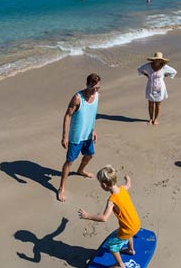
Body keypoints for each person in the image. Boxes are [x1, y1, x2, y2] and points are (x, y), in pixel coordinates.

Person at [78, 165, 141, 268]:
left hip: (128, 228)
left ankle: (120, 264)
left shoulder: (112, 200)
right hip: (136, 223)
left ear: (104, 185)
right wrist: (128, 179)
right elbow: (128, 184)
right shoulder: (122, 189)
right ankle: (130, 249)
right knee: (127, 232)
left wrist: (87, 215)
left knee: (111, 245)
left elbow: (104, 218)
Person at [57, 73, 101, 202]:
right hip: (76, 136)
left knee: (90, 155)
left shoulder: (97, 96)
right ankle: (61, 188)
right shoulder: (78, 98)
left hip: (88, 134)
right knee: (70, 161)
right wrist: (64, 136)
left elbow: (92, 114)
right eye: (93, 88)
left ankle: (80, 170)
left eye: (97, 88)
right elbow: (67, 116)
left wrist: (93, 129)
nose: (95, 91)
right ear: (87, 84)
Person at [138, 52, 177, 126]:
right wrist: (146, 74)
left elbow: (174, 72)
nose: (157, 61)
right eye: (156, 59)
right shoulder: (148, 66)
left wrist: (165, 75)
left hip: (160, 88)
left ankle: (155, 119)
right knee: (150, 104)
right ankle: (150, 119)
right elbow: (139, 69)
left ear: (161, 60)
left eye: (159, 59)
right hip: (150, 87)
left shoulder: (164, 67)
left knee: (158, 104)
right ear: (153, 59)